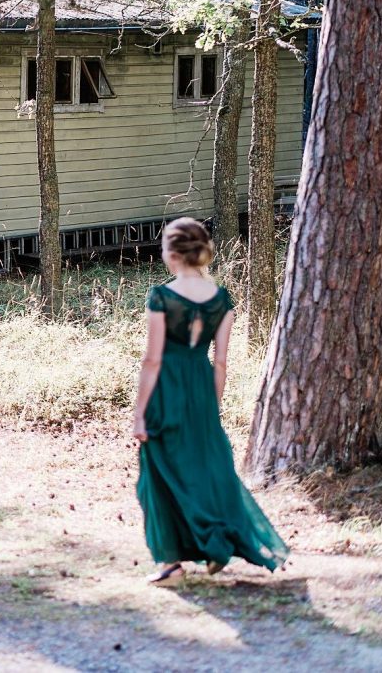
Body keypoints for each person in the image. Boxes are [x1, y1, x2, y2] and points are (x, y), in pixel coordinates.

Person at [133, 217, 289, 585]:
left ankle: (170, 562)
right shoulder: (222, 300)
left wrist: (139, 412)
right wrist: (211, 407)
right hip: (201, 387)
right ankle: (214, 542)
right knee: (203, 468)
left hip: (168, 387)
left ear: (172, 254)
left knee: (159, 471)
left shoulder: (162, 297)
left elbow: (152, 359)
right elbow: (220, 362)